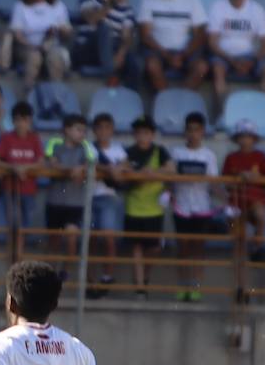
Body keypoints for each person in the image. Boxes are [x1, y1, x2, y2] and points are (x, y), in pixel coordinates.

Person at [120, 116, 174, 299]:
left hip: (154, 208)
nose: (142, 136)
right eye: (139, 132)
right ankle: (140, 286)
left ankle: (145, 277)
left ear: (152, 135)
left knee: (154, 248)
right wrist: (139, 175)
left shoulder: (161, 151)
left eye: (146, 132)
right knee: (136, 247)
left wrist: (152, 173)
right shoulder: (129, 152)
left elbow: (171, 169)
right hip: (133, 206)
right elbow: (123, 171)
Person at [138, 0, 209, 94]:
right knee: (152, 66)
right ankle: (166, 100)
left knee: (202, 68)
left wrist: (183, 55)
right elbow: (145, 36)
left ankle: (180, 99)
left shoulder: (191, 0)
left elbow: (200, 33)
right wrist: (167, 56)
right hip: (158, 51)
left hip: (186, 51)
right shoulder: (148, 0)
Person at [208, 0, 265, 106]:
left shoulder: (256, 9)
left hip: (249, 55)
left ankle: (263, 111)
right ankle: (222, 114)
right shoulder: (217, 7)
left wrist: (252, 60)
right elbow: (212, 42)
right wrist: (232, 60)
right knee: (217, 70)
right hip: (224, 55)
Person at [170, 112, 219, 302]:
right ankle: (183, 286)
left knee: (198, 249)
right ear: (185, 132)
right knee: (183, 248)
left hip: (201, 207)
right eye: (190, 130)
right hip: (181, 206)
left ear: (203, 132)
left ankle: (196, 287)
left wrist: (227, 200)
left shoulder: (209, 155)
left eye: (197, 130)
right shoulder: (177, 153)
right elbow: (171, 179)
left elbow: (214, 183)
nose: (193, 134)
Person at [4, 0, 72, 92]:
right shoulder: (21, 6)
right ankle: (29, 94)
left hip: (50, 45)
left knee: (56, 57)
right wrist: (32, 46)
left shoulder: (58, 5)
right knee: (34, 57)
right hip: (27, 46)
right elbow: (17, 34)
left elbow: (67, 31)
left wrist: (61, 30)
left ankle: (56, 96)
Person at [75, 0, 137, 89]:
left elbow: (127, 36)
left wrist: (121, 54)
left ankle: (132, 103)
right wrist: (113, 3)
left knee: (134, 63)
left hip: (112, 49)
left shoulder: (126, 7)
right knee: (104, 28)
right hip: (88, 46)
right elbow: (92, 20)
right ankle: (111, 75)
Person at [43, 115, 95, 268]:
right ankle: (49, 273)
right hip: (55, 201)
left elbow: (91, 164)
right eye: (78, 130)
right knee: (54, 241)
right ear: (67, 130)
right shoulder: (54, 144)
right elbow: (51, 163)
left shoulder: (86, 146)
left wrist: (83, 168)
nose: (82, 134)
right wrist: (71, 170)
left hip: (75, 202)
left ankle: (66, 271)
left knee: (72, 238)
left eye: (84, 131)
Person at [85, 113, 127, 298]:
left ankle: (107, 275)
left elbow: (124, 169)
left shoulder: (119, 151)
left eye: (107, 127)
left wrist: (115, 170)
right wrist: (108, 169)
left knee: (109, 237)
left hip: (108, 198)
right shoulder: (88, 148)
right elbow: (87, 164)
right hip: (87, 198)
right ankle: (90, 280)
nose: (103, 131)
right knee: (90, 240)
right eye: (99, 127)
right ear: (94, 130)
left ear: (112, 130)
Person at [221, 119, 265, 264]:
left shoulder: (261, 156)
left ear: (254, 139)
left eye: (248, 136)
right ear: (237, 139)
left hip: (256, 200)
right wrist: (239, 178)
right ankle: (239, 266)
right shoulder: (230, 157)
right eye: (242, 136)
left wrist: (257, 177)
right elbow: (226, 184)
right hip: (236, 201)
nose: (245, 139)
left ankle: (257, 248)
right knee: (237, 237)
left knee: (261, 214)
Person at [0, 102, 43, 229]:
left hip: (29, 188)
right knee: (12, 223)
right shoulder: (6, 138)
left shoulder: (35, 139)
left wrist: (25, 168)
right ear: (13, 121)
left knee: (26, 224)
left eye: (25, 120)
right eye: (17, 120)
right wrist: (13, 167)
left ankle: (22, 248)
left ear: (30, 121)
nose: (21, 124)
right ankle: (12, 249)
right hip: (10, 188)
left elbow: (41, 162)